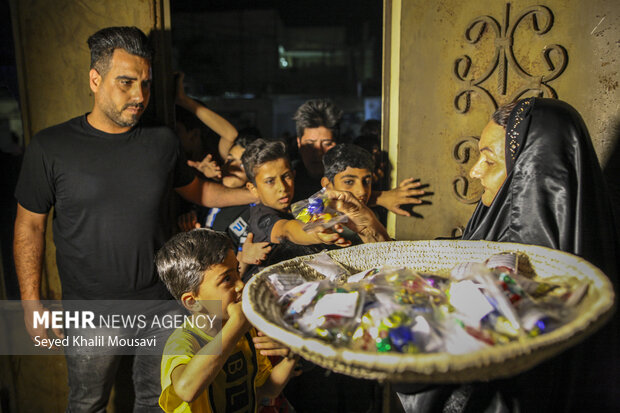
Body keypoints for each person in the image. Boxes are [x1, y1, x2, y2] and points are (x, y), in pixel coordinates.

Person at [13, 26, 256, 412]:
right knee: (87, 403)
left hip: (163, 304)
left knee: (156, 403)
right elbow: (29, 225)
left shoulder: (162, 141)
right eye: (126, 83)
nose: (139, 96)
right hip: (90, 310)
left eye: (144, 83)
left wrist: (252, 193)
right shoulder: (50, 146)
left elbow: (199, 191)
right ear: (95, 79)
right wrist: (31, 303)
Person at [397, 97, 619, 412]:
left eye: (488, 160)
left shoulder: (523, 264)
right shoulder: (578, 233)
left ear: (531, 173)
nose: (474, 172)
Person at [155, 228, 298, 413]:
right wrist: (236, 326)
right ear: (192, 302)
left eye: (237, 272)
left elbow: (266, 391)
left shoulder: (246, 330)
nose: (241, 284)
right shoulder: (184, 341)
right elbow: (186, 389)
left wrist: (293, 353)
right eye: (227, 279)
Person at [292, 98, 426, 216]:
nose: (318, 152)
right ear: (298, 143)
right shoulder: (289, 177)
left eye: (327, 144)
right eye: (310, 145)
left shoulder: (354, 170)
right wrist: (380, 198)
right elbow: (302, 213)